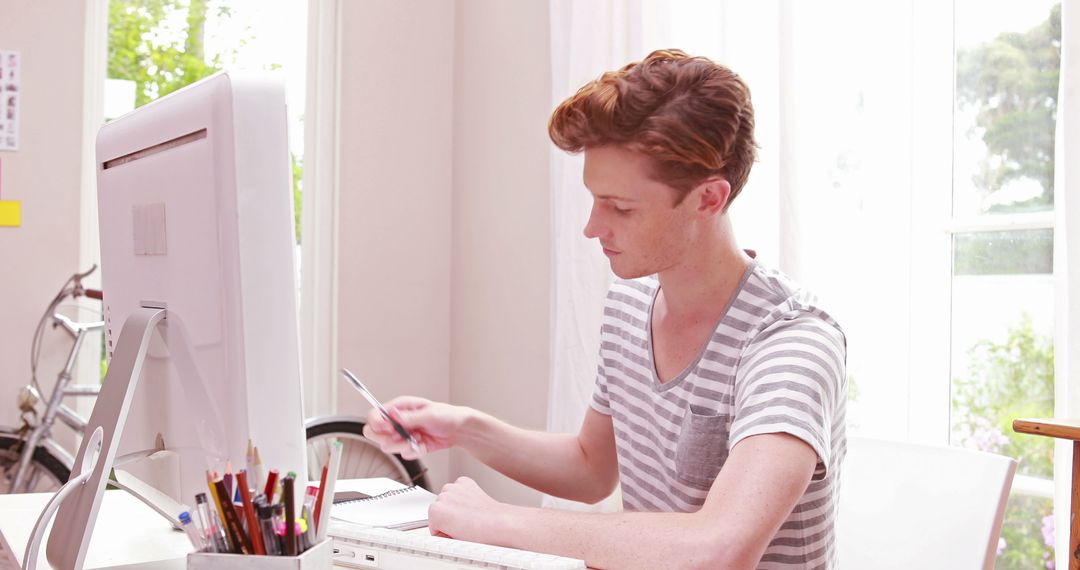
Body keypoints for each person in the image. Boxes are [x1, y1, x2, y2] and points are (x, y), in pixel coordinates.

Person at [363, 49, 846, 570]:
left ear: (709, 198)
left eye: (621, 207)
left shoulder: (791, 342)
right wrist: (463, 427)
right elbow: (592, 468)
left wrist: (498, 523)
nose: (593, 228)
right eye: (595, 200)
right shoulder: (630, 304)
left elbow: (718, 549)